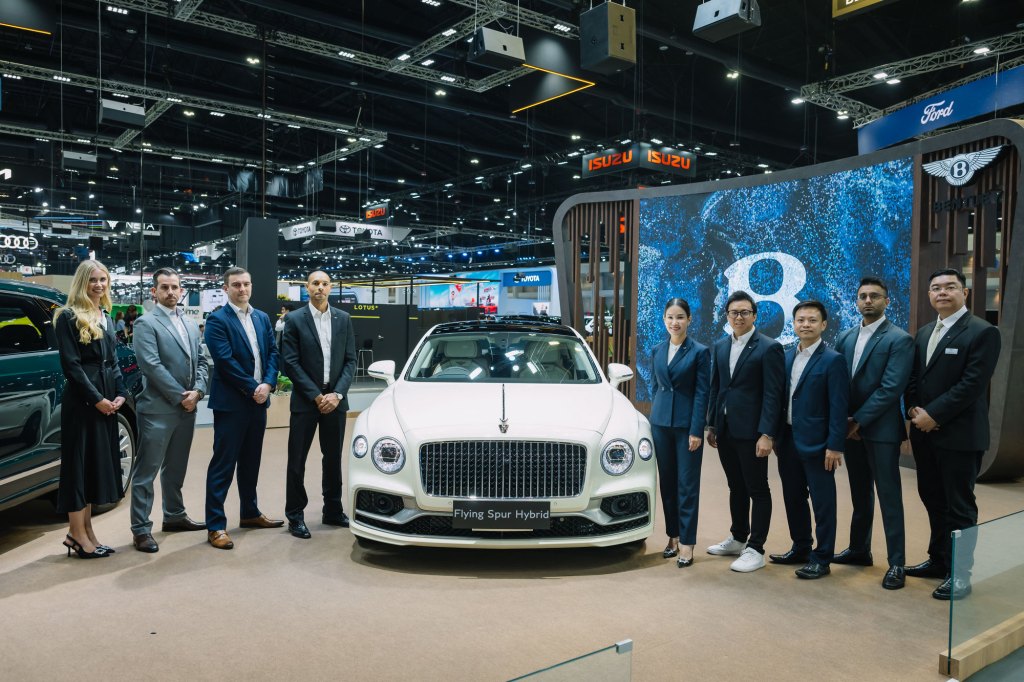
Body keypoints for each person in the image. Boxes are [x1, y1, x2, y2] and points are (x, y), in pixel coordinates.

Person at [904, 268, 1001, 600]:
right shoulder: (923, 333)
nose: (942, 293)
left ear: (965, 293)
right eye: (936, 288)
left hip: (960, 436)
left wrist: (934, 415)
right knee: (933, 499)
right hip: (925, 434)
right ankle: (938, 560)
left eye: (950, 287)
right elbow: (913, 379)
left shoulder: (983, 332)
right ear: (929, 295)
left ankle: (960, 574)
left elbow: (972, 384)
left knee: (959, 506)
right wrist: (913, 409)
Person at [834, 277, 914, 590]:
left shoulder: (899, 339)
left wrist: (858, 421)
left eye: (875, 296)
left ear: (886, 301)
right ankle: (859, 549)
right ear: (856, 301)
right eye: (863, 296)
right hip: (850, 429)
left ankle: (897, 563)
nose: (868, 301)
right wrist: (844, 421)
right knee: (860, 493)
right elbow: (837, 382)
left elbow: (891, 388)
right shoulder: (845, 336)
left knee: (889, 496)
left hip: (880, 430)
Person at [128, 268, 210, 553]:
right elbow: (151, 366)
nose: (171, 292)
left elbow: (202, 361)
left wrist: (198, 391)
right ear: (154, 291)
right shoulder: (145, 323)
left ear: (181, 290)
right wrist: (181, 397)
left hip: (187, 408)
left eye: (175, 287)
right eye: (164, 287)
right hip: (158, 410)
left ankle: (174, 515)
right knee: (146, 471)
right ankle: (140, 529)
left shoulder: (190, 324)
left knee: (176, 468)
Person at [53, 260, 128, 559]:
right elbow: (72, 366)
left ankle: (86, 533)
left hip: (106, 401)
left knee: (93, 468)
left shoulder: (105, 316)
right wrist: (97, 398)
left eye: (103, 279)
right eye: (93, 280)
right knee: (78, 469)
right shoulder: (67, 317)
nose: (99, 285)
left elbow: (113, 362)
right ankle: (76, 534)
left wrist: (121, 394)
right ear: (82, 282)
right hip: (83, 403)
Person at [706, 291, 785, 573]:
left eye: (744, 312)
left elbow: (773, 395)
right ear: (727, 316)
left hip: (753, 433)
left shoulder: (769, 347)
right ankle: (739, 537)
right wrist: (712, 424)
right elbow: (717, 388)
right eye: (733, 313)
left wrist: (767, 434)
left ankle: (756, 548)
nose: (738, 317)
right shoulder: (720, 346)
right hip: (726, 430)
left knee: (757, 489)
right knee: (735, 486)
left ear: (754, 315)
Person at [204, 267, 282, 550]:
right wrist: (254, 388)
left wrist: (268, 383)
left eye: (246, 284)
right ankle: (215, 525)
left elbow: (273, 353)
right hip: (232, 404)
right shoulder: (217, 320)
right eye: (236, 285)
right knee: (223, 465)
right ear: (226, 289)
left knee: (251, 462)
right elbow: (225, 362)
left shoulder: (261, 317)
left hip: (258, 402)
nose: (242, 289)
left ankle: (249, 512)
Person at [773, 301, 849, 580]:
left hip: (819, 444)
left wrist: (835, 445)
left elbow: (839, 406)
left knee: (823, 502)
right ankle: (801, 547)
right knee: (793, 497)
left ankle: (822, 557)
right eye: (800, 320)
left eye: (812, 320)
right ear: (793, 324)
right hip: (788, 440)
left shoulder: (833, 359)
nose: (805, 325)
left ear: (823, 325)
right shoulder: (786, 356)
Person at [280, 271, 357, 538]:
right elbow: (290, 362)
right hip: (306, 401)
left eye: (324, 284)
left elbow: (350, 360)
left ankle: (333, 510)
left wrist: (337, 394)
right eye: (315, 283)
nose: (320, 288)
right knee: (297, 460)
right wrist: (316, 395)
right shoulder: (294, 319)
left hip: (335, 401)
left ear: (331, 288)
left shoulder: (343, 319)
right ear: (307, 287)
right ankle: (295, 516)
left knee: (333, 458)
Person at [649, 298, 710, 567]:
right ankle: (672, 536)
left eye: (680, 317)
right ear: (664, 319)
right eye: (671, 317)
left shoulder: (700, 352)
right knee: (668, 484)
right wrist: (654, 418)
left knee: (687, 486)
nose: (675, 322)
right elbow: (655, 388)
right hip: (660, 426)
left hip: (687, 428)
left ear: (689, 320)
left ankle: (687, 542)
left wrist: (696, 430)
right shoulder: (657, 350)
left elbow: (702, 393)